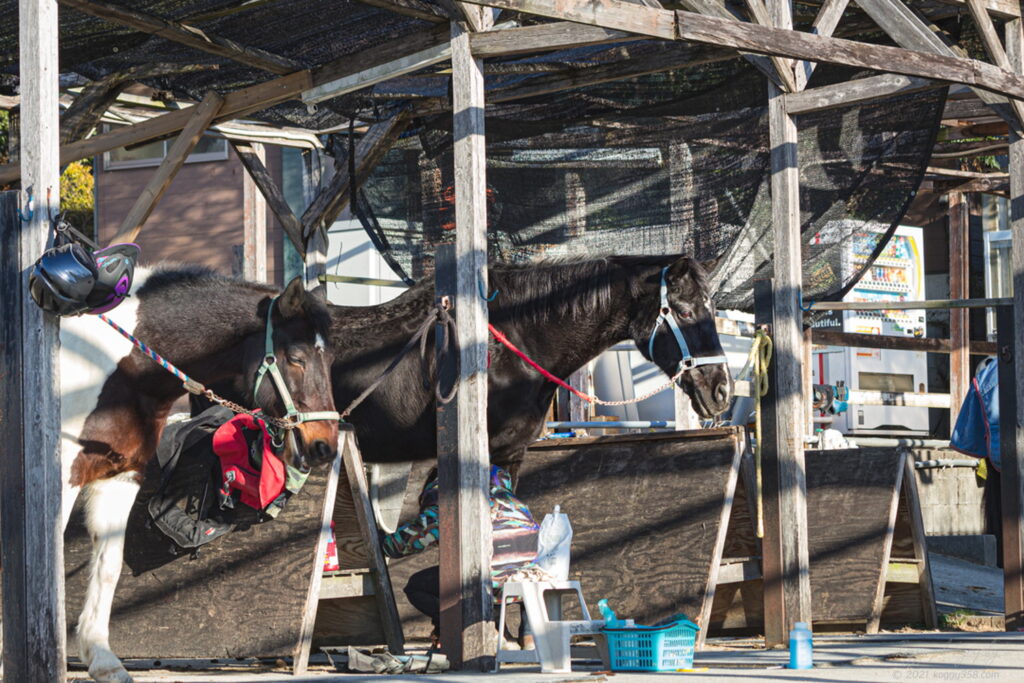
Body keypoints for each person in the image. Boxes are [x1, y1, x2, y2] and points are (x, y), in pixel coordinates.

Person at [381, 465, 548, 645]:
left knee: (417, 586)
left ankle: (461, 626)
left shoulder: (450, 502)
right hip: (531, 581)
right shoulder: (518, 505)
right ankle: (529, 637)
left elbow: (399, 545)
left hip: (488, 582)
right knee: (512, 570)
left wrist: (380, 538)